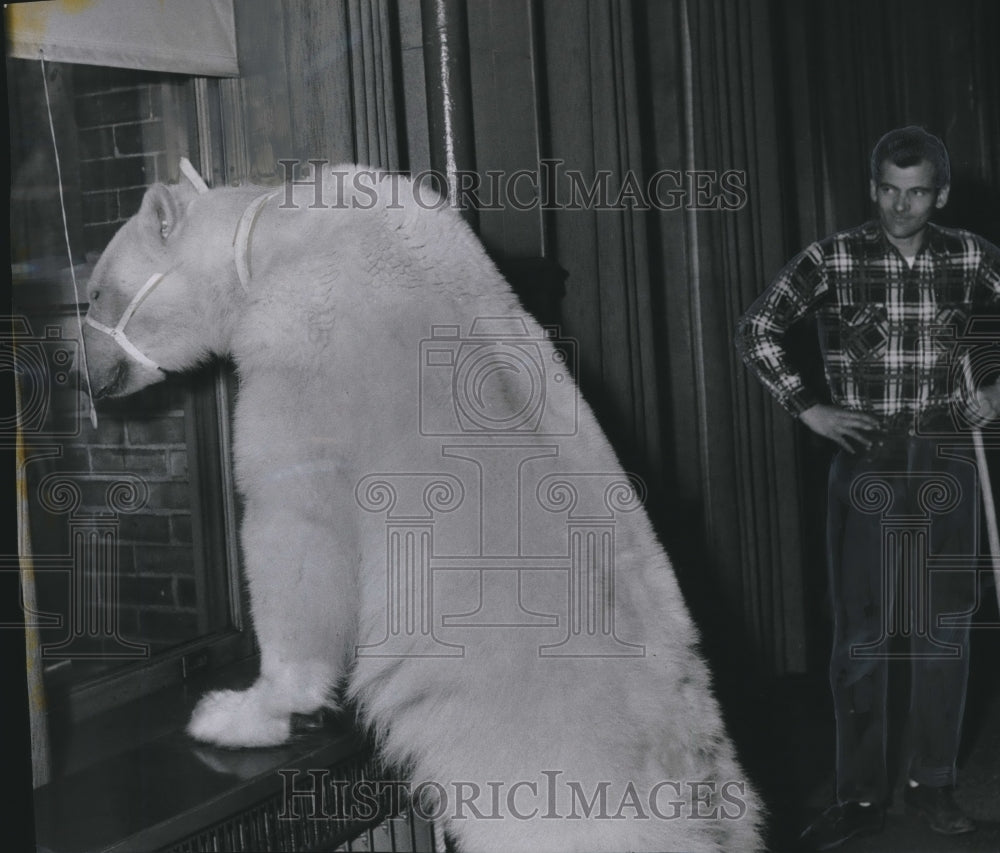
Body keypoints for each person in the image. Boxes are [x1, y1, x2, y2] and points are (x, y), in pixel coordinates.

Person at [736, 125, 1000, 851]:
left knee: (944, 626)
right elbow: (758, 327)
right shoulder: (834, 256)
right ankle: (858, 796)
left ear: (939, 194)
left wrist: (998, 391)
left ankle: (934, 784)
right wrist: (808, 406)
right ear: (873, 185)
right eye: (889, 189)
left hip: (947, 450)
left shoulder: (972, 255)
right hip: (870, 454)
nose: (901, 205)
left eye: (917, 193)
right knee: (866, 633)